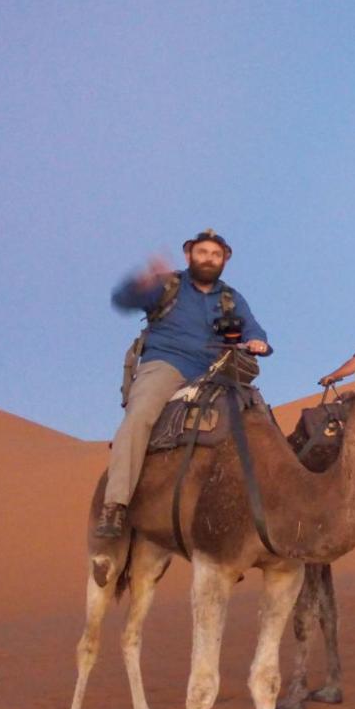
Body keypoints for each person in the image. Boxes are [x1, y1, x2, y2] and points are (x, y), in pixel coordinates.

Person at [95, 229, 271, 539]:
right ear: (189, 255)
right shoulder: (168, 285)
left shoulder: (231, 298)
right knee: (140, 417)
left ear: (224, 261)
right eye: (203, 253)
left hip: (216, 371)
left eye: (216, 255)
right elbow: (122, 300)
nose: (209, 259)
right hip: (167, 364)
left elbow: (254, 330)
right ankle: (116, 504)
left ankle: (253, 516)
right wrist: (144, 280)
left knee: (259, 422)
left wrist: (257, 342)